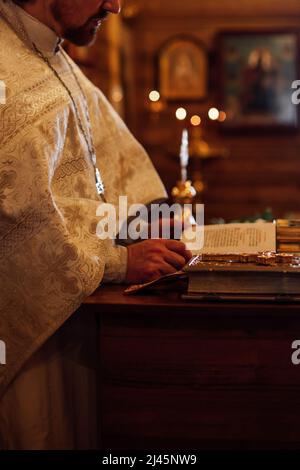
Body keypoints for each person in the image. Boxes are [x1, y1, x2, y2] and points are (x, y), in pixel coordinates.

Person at [0, 0, 191, 449]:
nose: (116, 5)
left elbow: (110, 159)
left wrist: (153, 222)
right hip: (31, 332)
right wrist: (117, 260)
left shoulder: (54, 55)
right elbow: (17, 215)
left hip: (76, 313)